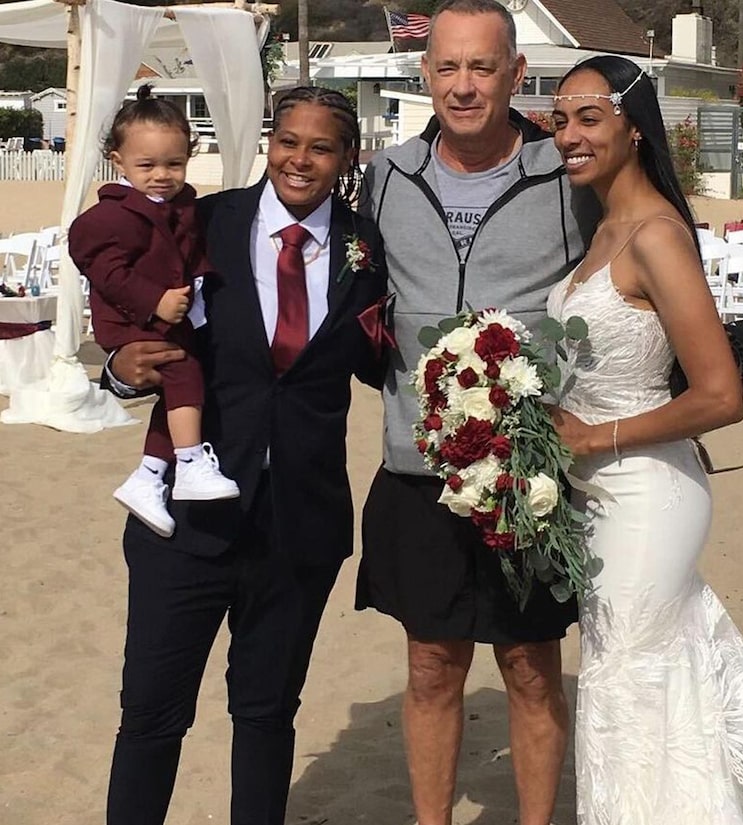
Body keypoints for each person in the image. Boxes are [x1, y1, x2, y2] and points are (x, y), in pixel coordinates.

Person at [547, 54, 743, 824]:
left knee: (625, 683)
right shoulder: (599, 226)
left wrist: (589, 437)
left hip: (646, 495)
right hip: (595, 494)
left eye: (588, 118)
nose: (568, 133)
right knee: (648, 677)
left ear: (634, 130)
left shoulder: (656, 235)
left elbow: (720, 394)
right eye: (560, 118)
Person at [100, 86, 389, 825]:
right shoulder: (200, 221)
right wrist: (116, 369)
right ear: (269, 142)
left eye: (320, 146)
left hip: (299, 526)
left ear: (345, 157)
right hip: (185, 523)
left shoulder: (367, 247)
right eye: (287, 140)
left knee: (266, 712)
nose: (300, 159)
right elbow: (124, 300)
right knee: (153, 713)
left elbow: (379, 360)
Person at [355, 2, 599, 822]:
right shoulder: (384, 175)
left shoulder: (567, 176)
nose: (463, 87)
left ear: (515, 75)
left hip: (525, 473)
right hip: (416, 467)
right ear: (424, 74)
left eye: (482, 67)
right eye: (448, 68)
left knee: (531, 666)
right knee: (430, 666)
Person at [69, 84, 239, 539]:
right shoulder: (107, 217)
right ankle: (187, 464)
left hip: (177, 314)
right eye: (146, 165)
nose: (162, 175)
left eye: (174, 164)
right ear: (117, 159)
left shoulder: (183, 204)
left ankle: (147, 477)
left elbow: (187, 249)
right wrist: (154, 301)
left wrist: (200, 279)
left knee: (181, 392)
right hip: (134, 321)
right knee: (184, 377)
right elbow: (106, 274)